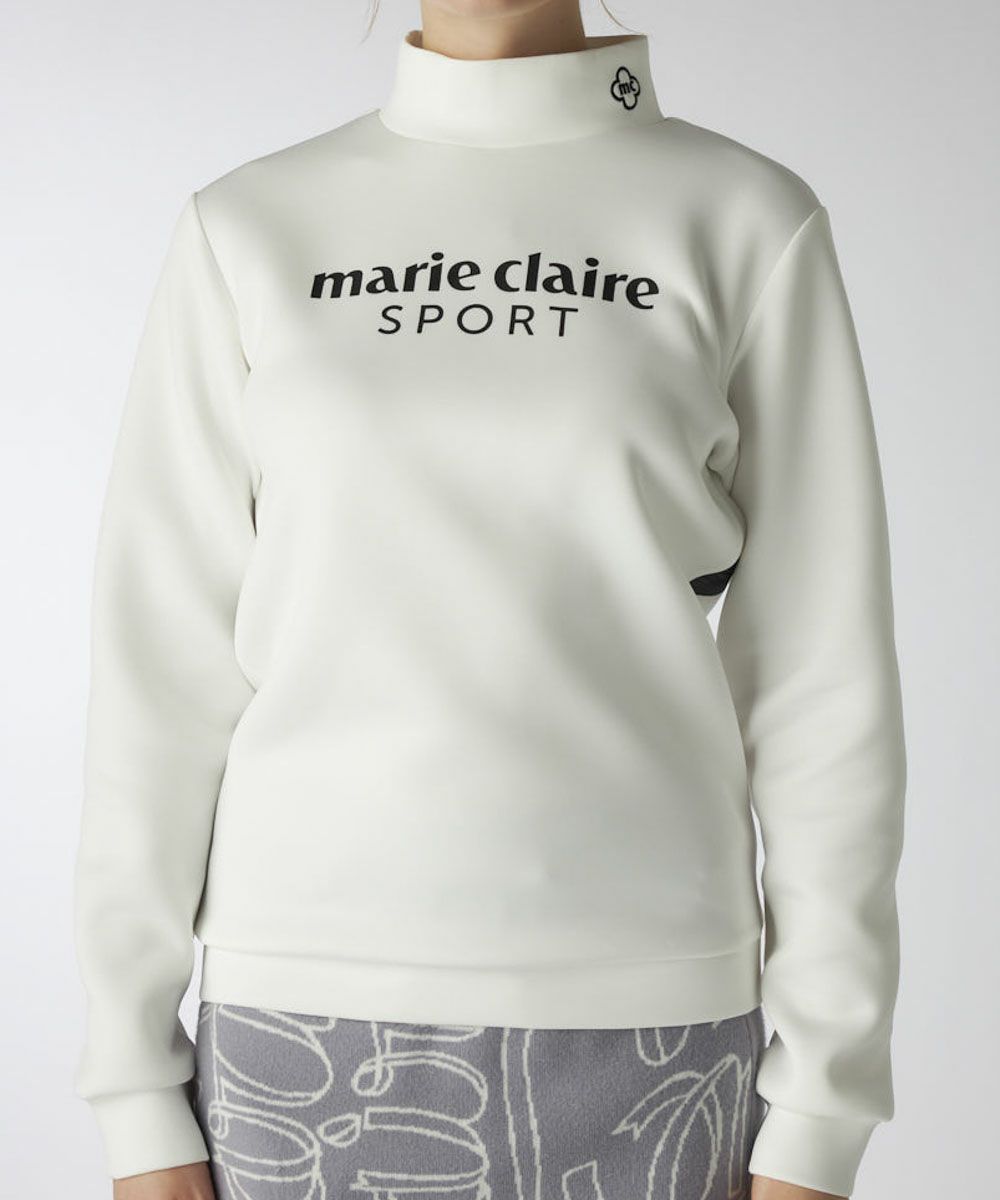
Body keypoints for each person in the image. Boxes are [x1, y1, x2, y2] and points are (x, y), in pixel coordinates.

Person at [71, 2, 907, 1198]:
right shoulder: (248, 227)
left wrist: (822, 1106)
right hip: (297, 1025)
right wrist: (134, 1094)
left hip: (653, 1031)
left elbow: (822, 680)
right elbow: (161, 672)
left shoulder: (744, 220)